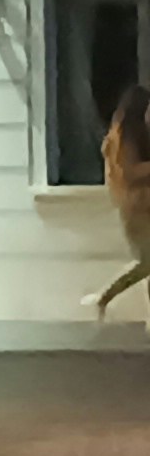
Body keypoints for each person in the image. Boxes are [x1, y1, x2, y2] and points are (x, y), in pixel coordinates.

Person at [94, 86, 150, 317]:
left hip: (135, 206)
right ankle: (105, 296)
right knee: (145, 262)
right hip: (137, 208)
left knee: (147, 262)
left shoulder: (119, 136)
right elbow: (129, 172)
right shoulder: (126, 138)